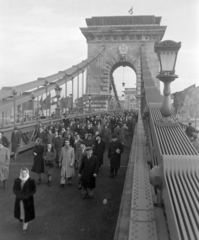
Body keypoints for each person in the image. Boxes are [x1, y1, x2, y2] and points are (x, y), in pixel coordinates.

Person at [13, 168, 36, 235]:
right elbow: (14, 189)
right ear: (21, 173)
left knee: (27, 214)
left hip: (28, 201)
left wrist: (27, 195)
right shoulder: (17, 181)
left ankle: (24, 228)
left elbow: (33, 190)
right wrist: (19, 194)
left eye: (25, 173)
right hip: (20, 200)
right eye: (22, 173)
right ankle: (22, 220)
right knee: (21, 212)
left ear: (27, 173)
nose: (23, 174)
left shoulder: (31, 181)